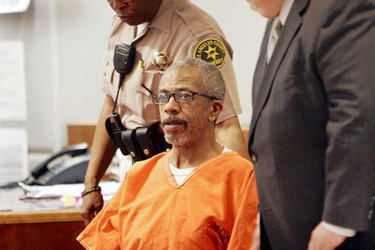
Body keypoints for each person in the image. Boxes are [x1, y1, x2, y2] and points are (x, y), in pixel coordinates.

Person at [81, 0, 250, 226]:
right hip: (136, 173)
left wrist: (247, 198)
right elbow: (112, 102)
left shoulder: (197, 35)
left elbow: (224, 123)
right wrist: (91, 184)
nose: (116, 6)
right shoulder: (122, 23)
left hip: (182, 177)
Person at [77, 58, 259, 249]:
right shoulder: (139, 175)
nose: (169, 107)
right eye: (163, 97)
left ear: (214, 110)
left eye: (184, 96)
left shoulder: (243, 178)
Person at [246, 0, 375, 249]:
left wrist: (337, 222)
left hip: (339, 231)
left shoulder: (339, 7)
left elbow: (358, 114)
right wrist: (267, 220)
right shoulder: (278, 20)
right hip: (288, 223)